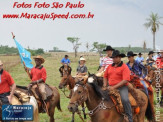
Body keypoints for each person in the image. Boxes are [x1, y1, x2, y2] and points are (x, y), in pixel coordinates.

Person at [103, 50, 133, 122]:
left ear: (120, 58)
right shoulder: (110, 66)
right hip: (110, 86)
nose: (114, 59)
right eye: (113, 58)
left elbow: (125, 80)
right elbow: (105, 76)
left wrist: (114, 87)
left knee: (125, 100)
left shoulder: (124, 67)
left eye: (116, 58)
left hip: (122, 87)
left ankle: (129, 118)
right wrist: (104, 85)